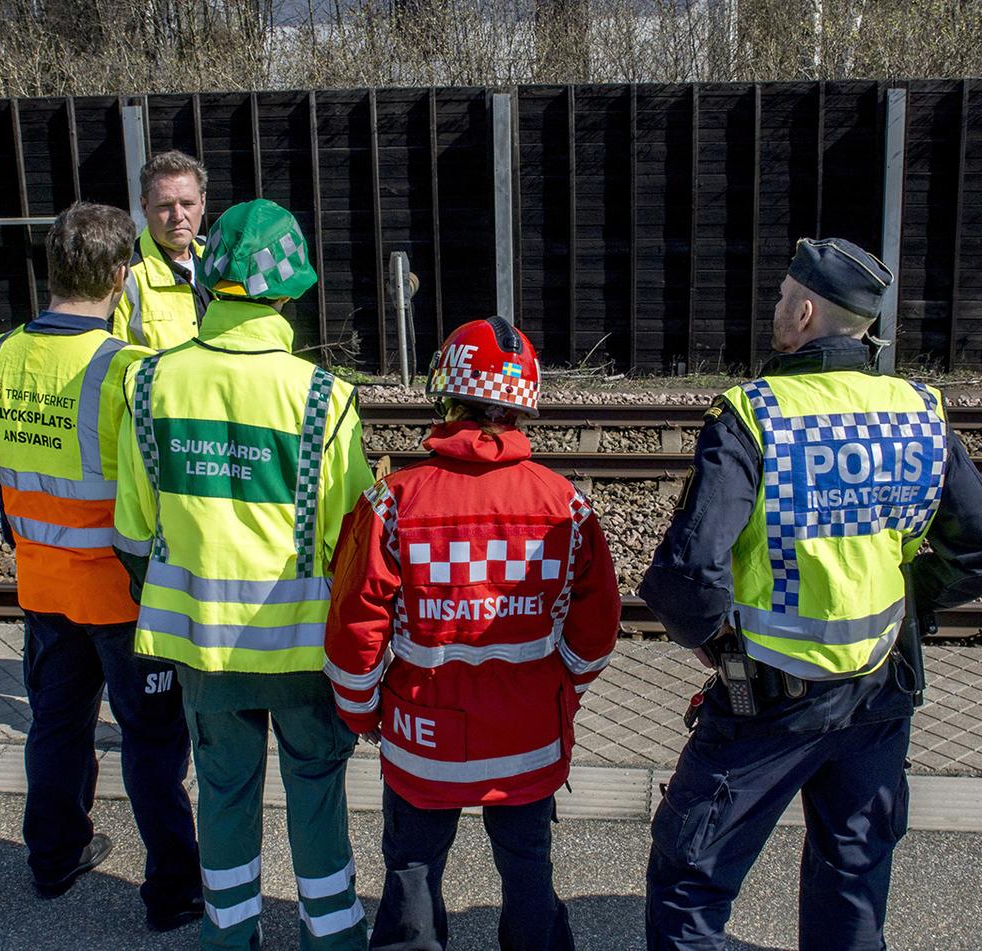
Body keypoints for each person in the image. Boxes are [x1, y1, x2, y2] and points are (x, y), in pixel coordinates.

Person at [639, 237, 982, 951]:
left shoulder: (754, 413)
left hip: (767, 701)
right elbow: (973, 543)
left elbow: (691, 569)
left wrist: (713, 638)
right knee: (850, 885)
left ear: (803, 312)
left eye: (779, 298)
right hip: (880, 693)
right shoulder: (921, 413)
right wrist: (911, 602)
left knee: (689, 884)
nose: (774, 309)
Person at [114, 198, 373, 951]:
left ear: (210, 278)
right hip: (300, 653)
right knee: (316, 795)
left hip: (203, 651)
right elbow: (350, 543)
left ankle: (229, 937)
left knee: (222, 795)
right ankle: (331, 936)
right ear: (290, 291)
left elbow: (134, 532)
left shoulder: (150, 383)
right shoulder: (322, 395)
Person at [324, 317, 622, 951]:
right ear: (523, 404)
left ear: (447, 396)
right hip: (528, 739)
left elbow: (355, 628)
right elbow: (597, 630)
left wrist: (361, 714)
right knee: (527, 868)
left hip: (421, 736)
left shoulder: (392, 501)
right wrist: (562, 688)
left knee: (411, 868)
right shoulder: (565, 503)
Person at [0, 202, 202, 929]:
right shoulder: (130, 373)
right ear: (123, 277)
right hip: (122, 596)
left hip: (41, 588)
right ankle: (172, 891)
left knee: (56, 727)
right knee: (153, 741)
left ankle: (54, 858)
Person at [111, 149, 212, 349]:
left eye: (187, 203)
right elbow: (112, 362)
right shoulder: (123, 274)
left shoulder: (218, 258)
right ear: (144, 205)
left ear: (203, 201)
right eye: (165, 205)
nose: (178, 215)